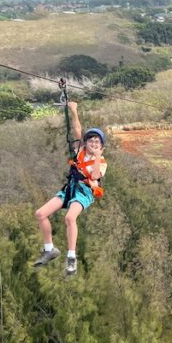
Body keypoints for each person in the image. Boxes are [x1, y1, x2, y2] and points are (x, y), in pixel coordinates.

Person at [34, 101, 107, 275]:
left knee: (69, 218)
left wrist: (97, 157)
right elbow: (77, 131)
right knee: (40, 214)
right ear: (86, 142)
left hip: (84, 192)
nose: (94, 143)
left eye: (97, 142)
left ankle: (71, 257)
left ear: (102, 147)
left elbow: (96, 176)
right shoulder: (79, 150)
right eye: (91, 140)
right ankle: (49, 249)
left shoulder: (102, 162)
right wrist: (74, 111)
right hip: (70, 189)